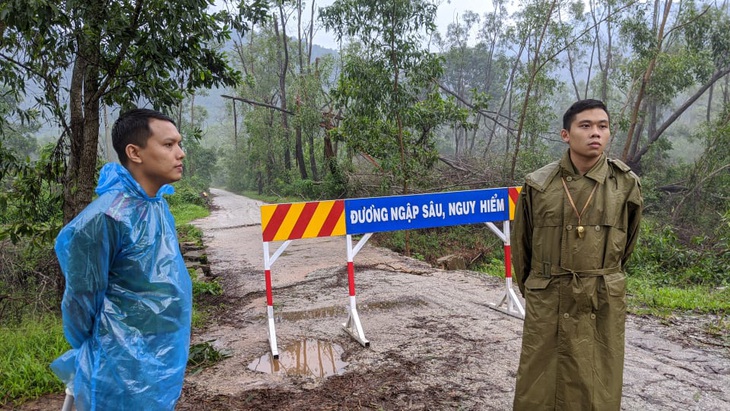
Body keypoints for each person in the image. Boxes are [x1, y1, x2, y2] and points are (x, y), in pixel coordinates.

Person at [51, 108, 192, 410]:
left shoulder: (157, 208)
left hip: (158, 359)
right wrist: (101, 350)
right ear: (134, 152)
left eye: (179, 144)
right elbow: (80, 302)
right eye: (169, 145)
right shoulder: (105, 218)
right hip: (116, 367)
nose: (180, 154)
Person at [511, 99, 643, 411]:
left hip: (601, 296)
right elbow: (522, 250)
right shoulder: (538, 185)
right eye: (585, 126)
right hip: (549, 296)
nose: (595, 133)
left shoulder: (625, 185)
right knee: (540, 382)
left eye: (603, 126)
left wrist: (600, 277)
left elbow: (627, 246)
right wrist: (538, 288)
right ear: (566, 134)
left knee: (598, 383)